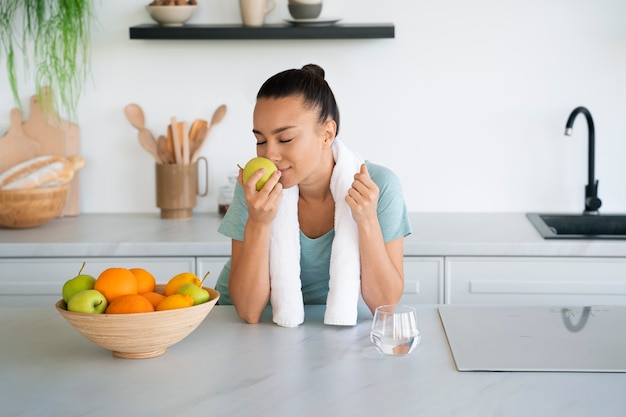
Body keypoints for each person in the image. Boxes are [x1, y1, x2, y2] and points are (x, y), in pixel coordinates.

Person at [215, 64, 411, 324]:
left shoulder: (379, 186)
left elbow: (384, 304)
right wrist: (259, 222)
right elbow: (248, 311)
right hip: (245, 324)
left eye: (285, 139)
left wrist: (367, 221)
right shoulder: (255, 187)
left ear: (327, 134)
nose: (269, 155)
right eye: (260, 141)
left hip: (324, 327)